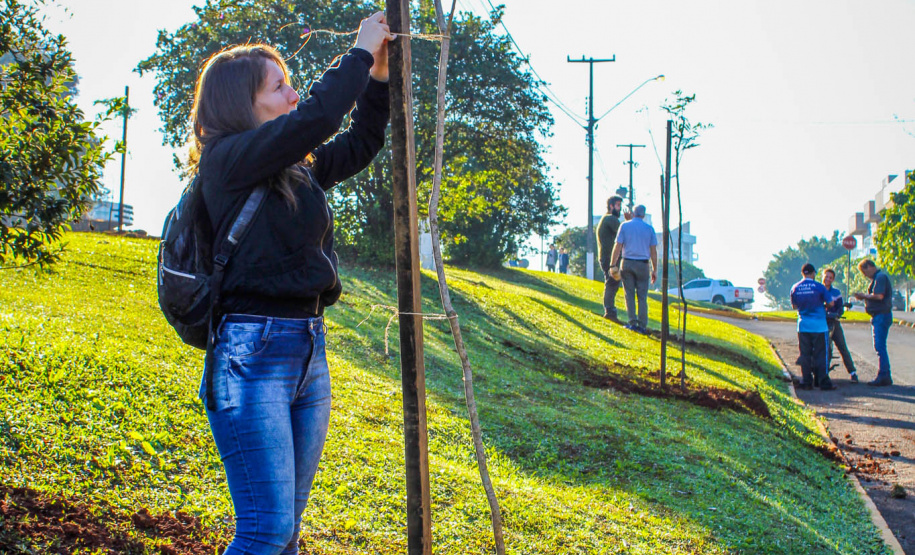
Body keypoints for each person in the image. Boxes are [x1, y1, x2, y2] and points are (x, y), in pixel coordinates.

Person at [191, 13, 394, 554]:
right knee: (267, 530)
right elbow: (318, 116)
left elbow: (363, 140)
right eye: (278, 87)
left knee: (286, 532)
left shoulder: (296, 168)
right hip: (249, 356)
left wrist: (376, 76)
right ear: (243, 104)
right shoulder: (227, 162)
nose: (292, 93)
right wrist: (355, 54)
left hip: (308, 349)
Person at [609, 205, 657, 333]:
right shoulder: (649, 229)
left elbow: (617, 246)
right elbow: (653, 251)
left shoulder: (625, 226)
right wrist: (654, 269)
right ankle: (642, 325)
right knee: (642, 296)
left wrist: (613, 264)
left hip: (628, 262)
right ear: (644, 214)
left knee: (629, 294)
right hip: (643, 264)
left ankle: (632, 322)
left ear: (633, 213)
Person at [790, 263, 835, 390]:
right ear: (814, 273)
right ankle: (823, 382)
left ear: (802, 273)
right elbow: (831, 303)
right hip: (819, 326)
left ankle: (806, 381)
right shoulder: (819, 287)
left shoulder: (795, 287)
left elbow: (794, 306)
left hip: (803, 326)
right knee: (821, 354)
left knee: (805, 354)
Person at [853, 259, 894, 386]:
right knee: (880, 346)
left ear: (870, 266)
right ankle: (884, 374)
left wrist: (863, 296)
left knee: (880, 346)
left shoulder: (880, 277)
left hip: (881, 315)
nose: (865, 275)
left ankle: (884, 375)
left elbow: (879, 296)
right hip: (880, 315)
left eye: (864, 272)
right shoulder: (877, 278)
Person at [822, 268, 858, 382]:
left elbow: (840, 308)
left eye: (830, 277)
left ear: (833, 280)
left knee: (842, 346)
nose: (827, 279)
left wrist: (837, 313)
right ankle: (822, 372)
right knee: (823, 348)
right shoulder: (818, 289)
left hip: (834, 323)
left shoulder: (836, 292)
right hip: (821, 323)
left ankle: (852, 372)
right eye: (826, 276)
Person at [597, 195, 624, 321]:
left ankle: (610, 310)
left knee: (613, 282)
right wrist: (629, 221)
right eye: (618, 205)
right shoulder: (610, 219)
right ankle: (610, 311)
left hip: (607, 257)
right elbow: (624, 233)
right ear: (611, 206)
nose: (620, 208)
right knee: (612, 282)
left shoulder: (606, 219)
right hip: (609, 258)